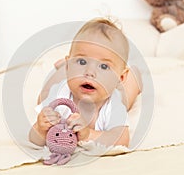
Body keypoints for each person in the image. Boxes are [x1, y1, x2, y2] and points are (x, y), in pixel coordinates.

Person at [29, 18, 142, 147]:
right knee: (42, 96)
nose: (90, 72)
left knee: (128, 92)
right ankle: (62, 67)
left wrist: (88, 135)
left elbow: (122, 140)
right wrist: (40, 129)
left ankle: (135, 74)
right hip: (65, 78)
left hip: (114, 91)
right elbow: (33, 139)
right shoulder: (59, 95)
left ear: (120, 78)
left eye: (104, 66)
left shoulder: (114, 105)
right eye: (82, 61)